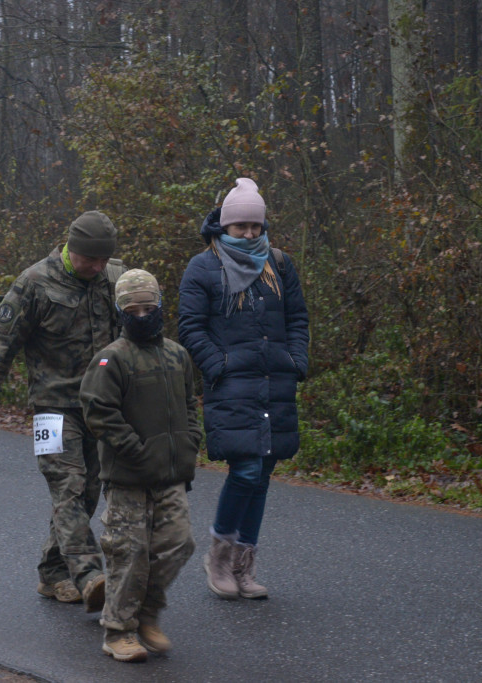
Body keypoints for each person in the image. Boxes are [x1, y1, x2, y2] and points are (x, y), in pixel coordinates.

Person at [0, 210, 123, 612]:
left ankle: (53, 571)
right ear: (71, 249)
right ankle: (90, 576)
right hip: (52, 407)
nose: (95, 267)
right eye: (89, 259)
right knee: (68, 485)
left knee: (90, 490)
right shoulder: (35, 282)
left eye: (101, 259)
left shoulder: (114, 279)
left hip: (101, 403)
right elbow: (1, 339)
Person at [178, 177, 309, 600]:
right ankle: (218, 557)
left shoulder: (280, 264)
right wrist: (220, 366)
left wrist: (296, 362)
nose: (250, 234)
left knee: (265, 472)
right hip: (232, 384)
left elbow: (297, 320)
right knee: (246, 469)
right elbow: (191, 327)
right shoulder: (204, 266)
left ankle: (243, 565)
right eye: (241, 227)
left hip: (276, 381)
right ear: (225, 226)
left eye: (256, 226)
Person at [80, 269, 201, 663]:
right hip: (128, 477)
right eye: (134, 308)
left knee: (177, 543)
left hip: (171, 476)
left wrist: (190, 443)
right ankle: (119, 630)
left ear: (160, 306)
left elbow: (189, 405)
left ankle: (147, 615)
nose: (143, 314)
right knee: (128, 553)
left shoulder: (176, 354)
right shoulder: (110, 358)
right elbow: (99, 412)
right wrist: (135, 449)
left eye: (149, 307)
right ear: (121, 311)